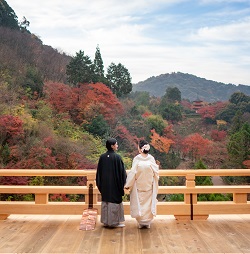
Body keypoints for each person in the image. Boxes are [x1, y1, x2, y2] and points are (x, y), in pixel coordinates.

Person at [125, 140, 159, 229]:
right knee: (146, 204)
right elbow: (156, 173)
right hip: (148, 184)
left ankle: (143, 222)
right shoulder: (151, 158)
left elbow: (133, 173)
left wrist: (128, 184)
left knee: (141, 203)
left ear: (140, 149)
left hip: (141, 184)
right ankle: (145, 222)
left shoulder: (137, 159)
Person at [96, 138, 127, 228]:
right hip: (115, 185)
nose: (117, 146)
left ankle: (106, 221)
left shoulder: (102, 157)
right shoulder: (117, 157)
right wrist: (122, 184)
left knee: (106, 201)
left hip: (105, 185)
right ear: (112, 146)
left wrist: (100, 184)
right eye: (116, 144)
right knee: (114, 201)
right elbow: (122, 173)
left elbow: (99, 173)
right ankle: (114, 222)